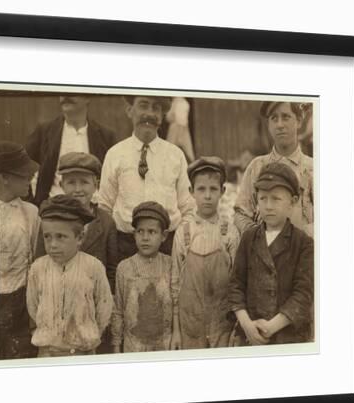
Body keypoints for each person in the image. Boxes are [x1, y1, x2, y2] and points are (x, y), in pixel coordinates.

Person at [33, 152, 118, 353]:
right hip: (54, 312)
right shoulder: (50, 219)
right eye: (71, 182)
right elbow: (39, 265)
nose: (78, 189)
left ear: (96, 184)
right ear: (61, 185)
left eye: (84, 182)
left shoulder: (105, 222)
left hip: (88, 313)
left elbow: (112, 270)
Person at [99, 95, 196, 261]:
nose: (150, 114)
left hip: (167, 246)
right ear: (129, 110)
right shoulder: (115, 154)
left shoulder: (175, 156)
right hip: (125, 247)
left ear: (162, 115)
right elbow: (104, 207)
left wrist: (179, 243)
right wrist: (112, 246)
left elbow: (188, 208)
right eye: (143, 106)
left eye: (156, 108)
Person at [228, 163, 314, 345]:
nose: (268, 206)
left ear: (293, 201)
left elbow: (303, 295)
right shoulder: (249, 238)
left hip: (287, 336)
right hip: (249, 335)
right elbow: (236, 285)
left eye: (276, 199)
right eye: (263, 198)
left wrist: (271, 327)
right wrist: (247, 325)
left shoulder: (303, 243)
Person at [26, 195, 113, 357]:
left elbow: (104, 307)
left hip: (82, 351)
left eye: (61, 237)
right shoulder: (38, 268)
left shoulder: (93, 267)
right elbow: (33, 305)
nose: (52, 244)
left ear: (79, 238)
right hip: (48, 351)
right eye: (47, 236)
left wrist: (88, 335)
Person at [170, 157, 240, 350]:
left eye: (213, 189)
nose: (207, 196)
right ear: (191, 192)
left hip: (222, 324)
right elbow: (175, 285)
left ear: (223, 192)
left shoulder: (230, 232)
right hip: (190, 325)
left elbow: (238, 283)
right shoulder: (183, 232)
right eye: (201, 189)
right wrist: (176, 330)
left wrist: (236, 329)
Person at [234, 101, 314, 237]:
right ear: (269, 125)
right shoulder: (257, 167)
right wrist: (259, 237)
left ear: (299, 122)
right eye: (274, 118)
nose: (280, 125)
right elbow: (241, 213)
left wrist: (299, 237)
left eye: (286, 117)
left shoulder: (313, 169)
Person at [26, 95, 117, 206]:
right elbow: (23, 170)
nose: (66, 96)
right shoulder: (45, 131)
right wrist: (32, 204)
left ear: (88, 97)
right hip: (53, 210)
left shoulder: (106, 136)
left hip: (94, 209)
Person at [0, 141, 40, 359]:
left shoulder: (31, 213)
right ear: (4, 177)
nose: (30, 180)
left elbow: (34, 256)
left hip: (20, 300)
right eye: (23, 175)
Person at [111, 201, 174, 353]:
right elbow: (118, 310)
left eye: (152, 232)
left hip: (164, 344)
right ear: (134, 234)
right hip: (134, 346)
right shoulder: (124, 268)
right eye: (140, 231)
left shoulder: (170, 265)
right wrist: (116, 346)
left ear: (163, 236)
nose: (145, 237)